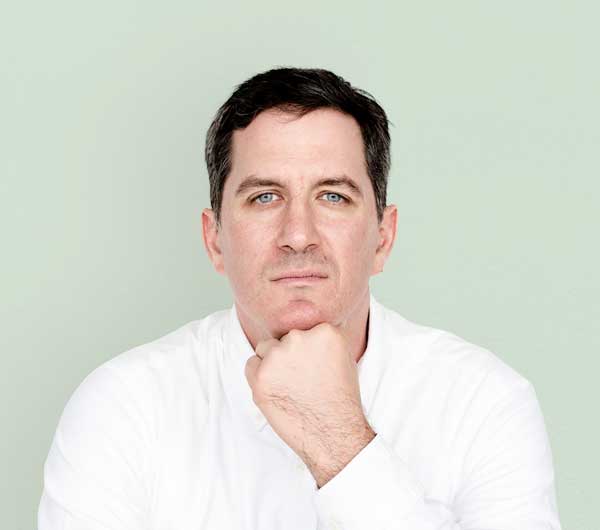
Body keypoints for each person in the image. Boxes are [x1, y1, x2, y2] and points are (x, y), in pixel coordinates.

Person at [38, 67, 563, 530]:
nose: (298, 234)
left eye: (333, 196)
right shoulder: (122, 408)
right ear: (214, 239)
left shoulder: (484, 403)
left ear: (383, 237)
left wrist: (338, 440)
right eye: (265, 197)